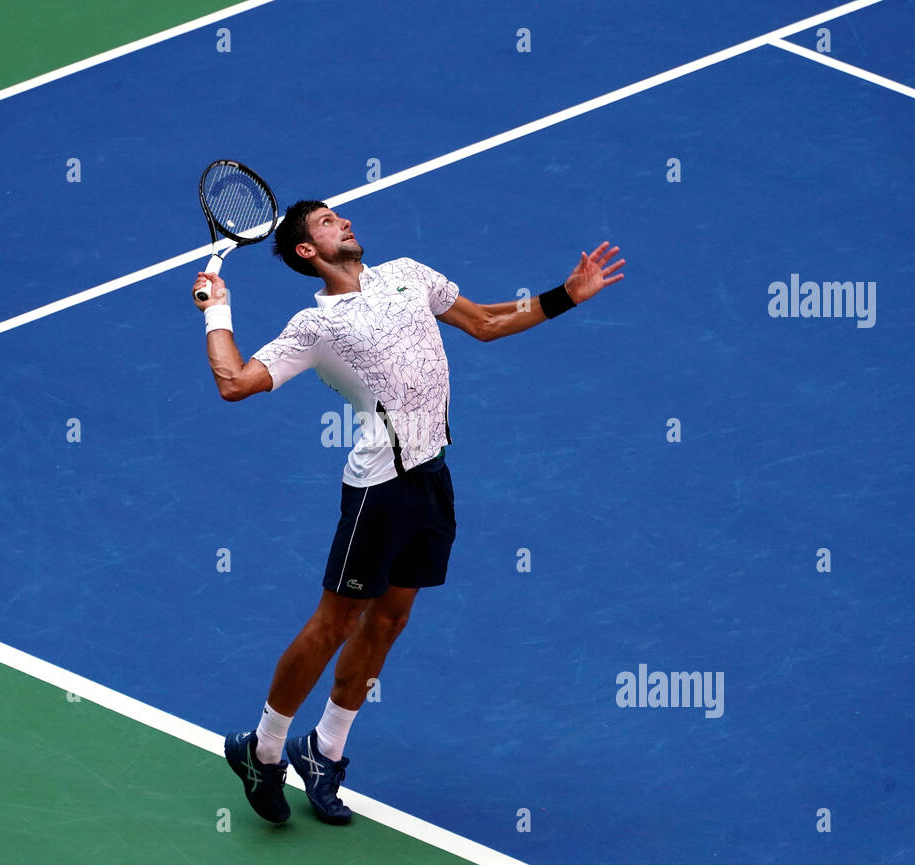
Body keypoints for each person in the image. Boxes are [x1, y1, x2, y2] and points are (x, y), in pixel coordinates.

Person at [191, 200, 625, 825]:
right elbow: (233, 382)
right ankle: (261, 749)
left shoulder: (410, 274)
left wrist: (566, 296)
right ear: (307, 253)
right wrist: (218, 310)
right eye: (325, 223)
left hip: (432, 478)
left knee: (390, 620)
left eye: (339, 215)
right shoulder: (316, 327)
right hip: (378, 490)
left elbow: (485, 323)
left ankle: (324, 749)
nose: (343, 222)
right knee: (333, 624)